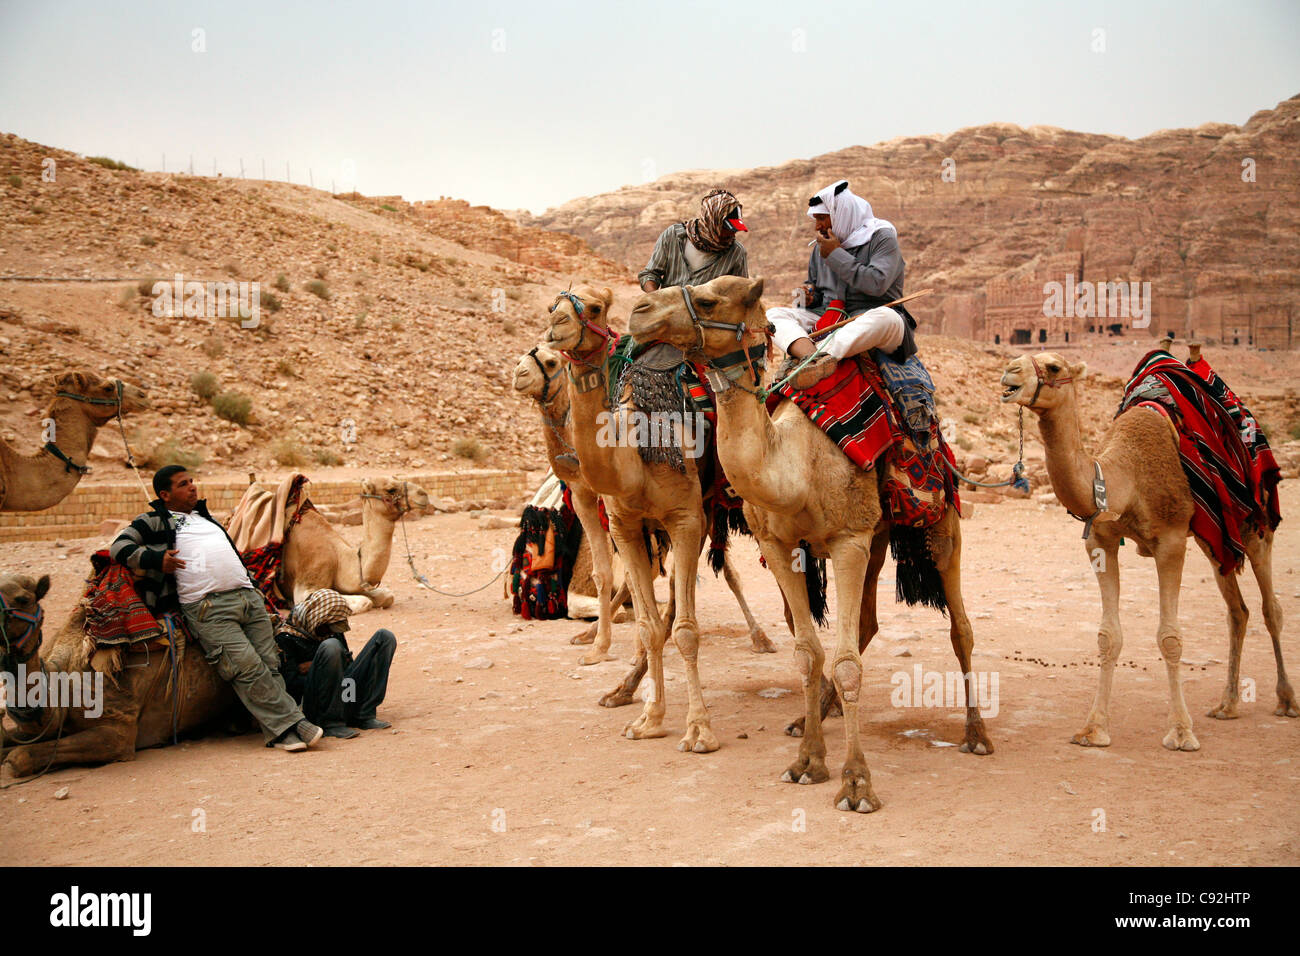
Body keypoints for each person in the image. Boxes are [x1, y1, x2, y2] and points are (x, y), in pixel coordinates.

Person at [110, 465, 323, 752]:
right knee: (246, 666)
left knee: (270, 664)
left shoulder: (206, 519)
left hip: (248, 599)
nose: (193, 487)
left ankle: (281, 726)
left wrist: (254, 589)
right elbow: (118, 547)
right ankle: (290, 726)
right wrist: (155, 559)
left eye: (192, 481)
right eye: (183, 484)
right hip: (208, 607)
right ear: (165, 494)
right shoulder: (153, 521)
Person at [768, 179, 919, 389]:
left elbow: (877, 283)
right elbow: (816, 289)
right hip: (830, 316)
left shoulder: (882, 237)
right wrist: (807, 297)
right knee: (773, 315)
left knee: (886, 317)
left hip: (873, 316)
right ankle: (812, 360)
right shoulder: (821, 247)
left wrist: (836, 255)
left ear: (841, 215)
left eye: (822, 218)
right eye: (816, 219)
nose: (817, 226)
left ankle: (820, 354)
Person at [274, 589, 397, 738]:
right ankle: (331, 723)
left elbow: (347, 670)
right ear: (316, 618)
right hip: (314, 705)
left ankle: (363, 714)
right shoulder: (286, 637)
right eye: (328, 628)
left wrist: (316, 666)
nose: (330, 632)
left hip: (344, 694)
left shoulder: (331, 631)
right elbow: (290, 685)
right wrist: (321, 668)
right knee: (331, 646)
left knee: (384, 637)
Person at [638, 187, 749, 292]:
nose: (732, 233)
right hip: (668, 309)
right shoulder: (673, 236)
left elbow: (741, 294)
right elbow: (650, 274)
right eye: (727, 228)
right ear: (711, 221)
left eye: (735, 229)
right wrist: (656, 298)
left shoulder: (736, 254)